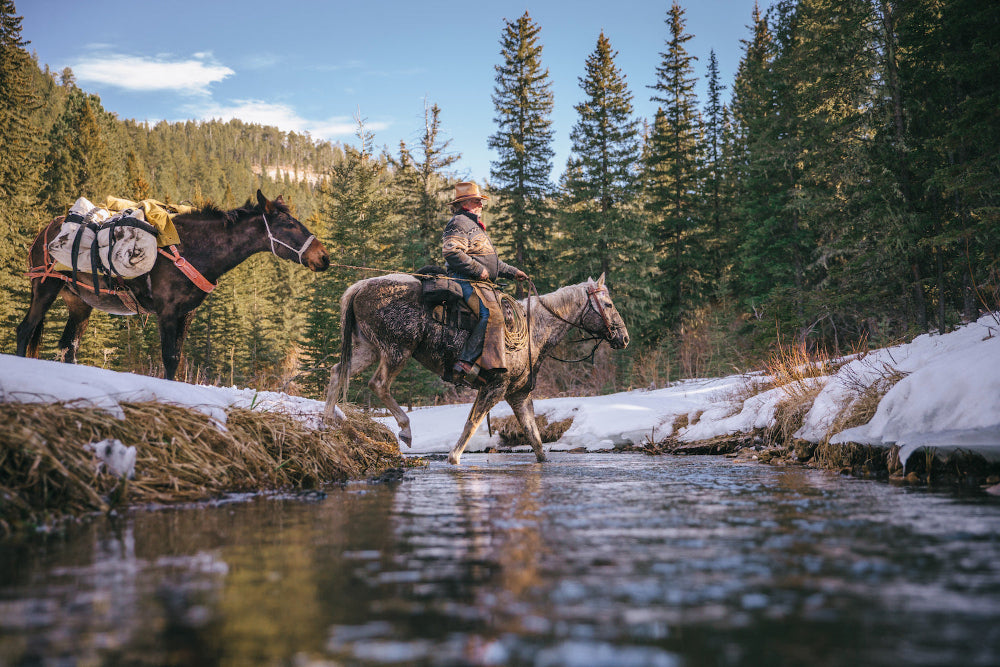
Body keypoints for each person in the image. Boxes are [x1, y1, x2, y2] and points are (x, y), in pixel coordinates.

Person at [442, 181, 527, 386]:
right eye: (478, 201)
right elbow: (452, 252)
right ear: (466, 203)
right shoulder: (459, 222)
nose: (481, 205)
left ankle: (487, 363)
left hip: (478, 282)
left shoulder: (473, 225)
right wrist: (478, 270)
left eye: (481, 201)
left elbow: (491, 261)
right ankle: (465, 362)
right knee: (492, 315)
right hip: (463, 279)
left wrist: (513, 272)